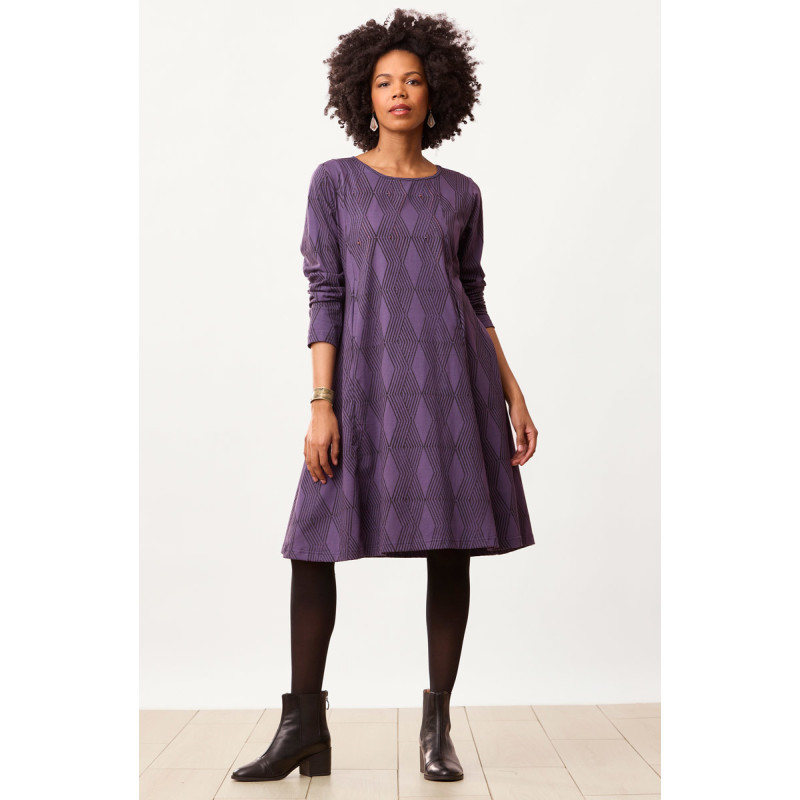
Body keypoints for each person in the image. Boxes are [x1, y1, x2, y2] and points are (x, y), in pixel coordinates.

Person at [232, 8, 538, 784]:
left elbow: (472, 294)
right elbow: (325, 290)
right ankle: (303, 728)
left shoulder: (461, 193)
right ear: (363, 95)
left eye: (412, 80)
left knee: (450, 546)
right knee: (312, 544)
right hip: (363, 390)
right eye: (383, 82)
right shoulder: (335, 182)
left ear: (436, 93)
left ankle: (437, 729)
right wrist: (321, 402)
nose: (398, 92)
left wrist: (514, 392)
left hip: (453, 386)